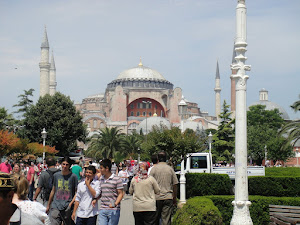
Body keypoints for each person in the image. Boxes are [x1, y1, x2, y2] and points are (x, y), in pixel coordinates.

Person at [47, 156, 78, 225]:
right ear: (61, 164)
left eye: (67, 164)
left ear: (70, 166)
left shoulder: (73, 177)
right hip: (56, 205)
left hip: (67, 206)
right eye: (63, 164)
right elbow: (53, 190)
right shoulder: (56, 175)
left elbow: (77, 192)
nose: (65, 166)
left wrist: (70, 204)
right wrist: (48, 205)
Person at [150, 152, 178, 225]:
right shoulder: (170, 169)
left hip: (156, 198)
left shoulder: (153, 169)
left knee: (155, 220)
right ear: (166, 159)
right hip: (168, 197)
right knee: (166, 220)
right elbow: (175, 184)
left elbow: (149, 183)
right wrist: (174, 197)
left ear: (158, 159)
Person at [94, 159, 123, 225]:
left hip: (113, 210)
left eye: (101, 168)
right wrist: (96, 199)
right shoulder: (101, 179)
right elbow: (101, 193)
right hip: (102, 209)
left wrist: (115, 204)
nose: (100, 170)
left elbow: (120, 194)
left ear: (107, 168)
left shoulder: (117, 179)